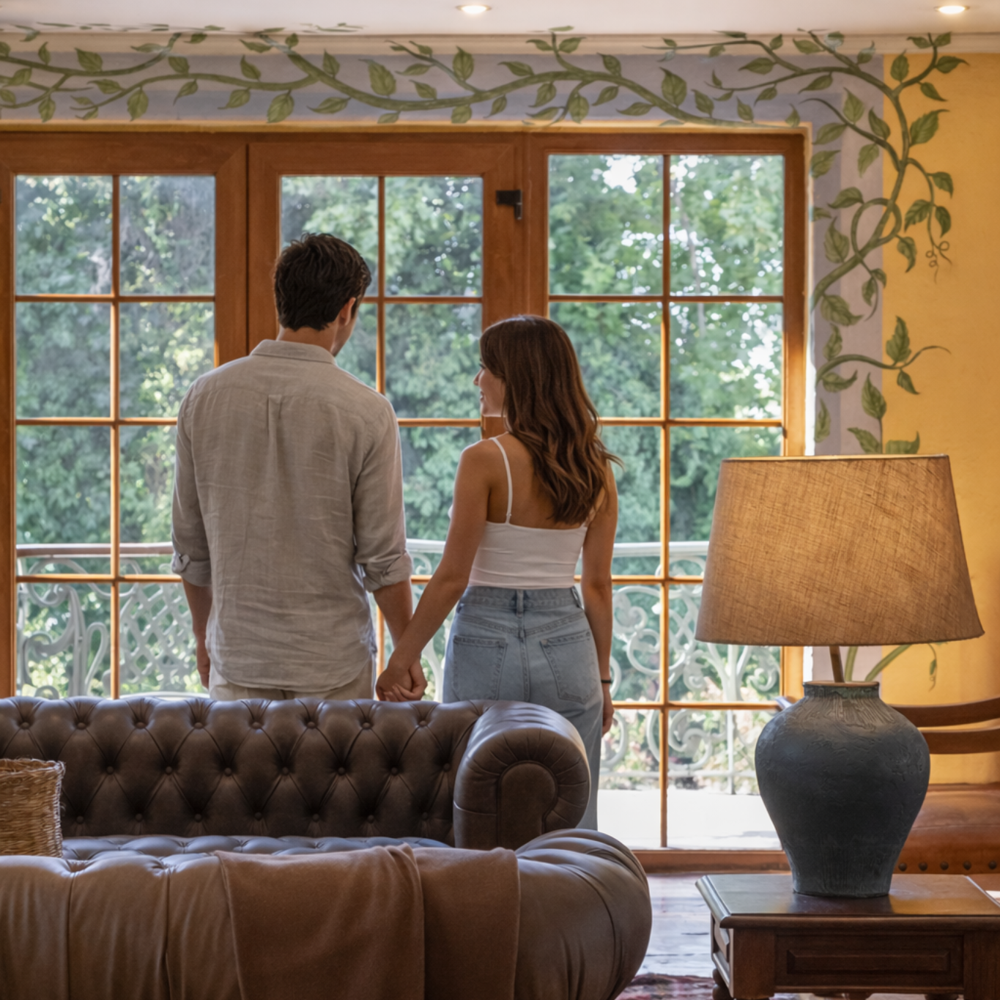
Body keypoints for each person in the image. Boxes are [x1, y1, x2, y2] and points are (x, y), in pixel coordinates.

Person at [377, 315, 618, 828]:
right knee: (574, 808)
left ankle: (482, 905)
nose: (477, 380)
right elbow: (597, 586)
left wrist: (403, 657)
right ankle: (570, 902)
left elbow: (451, 577)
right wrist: (603, 680)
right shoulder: (595, 468)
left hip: (485, 636)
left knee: (473, 801)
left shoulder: (484, 459)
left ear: (514, 377)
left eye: (485, 368)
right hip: (568, 642)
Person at [171, 233, 426, 702]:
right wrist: (406, 653)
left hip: (238, 658)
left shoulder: (203, 397)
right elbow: (383, 558)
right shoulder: (366, 410)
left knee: (240, 779)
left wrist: (203, 635)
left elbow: (190, 546)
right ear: (347, 309)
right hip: (331, 663)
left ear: (280, 301)